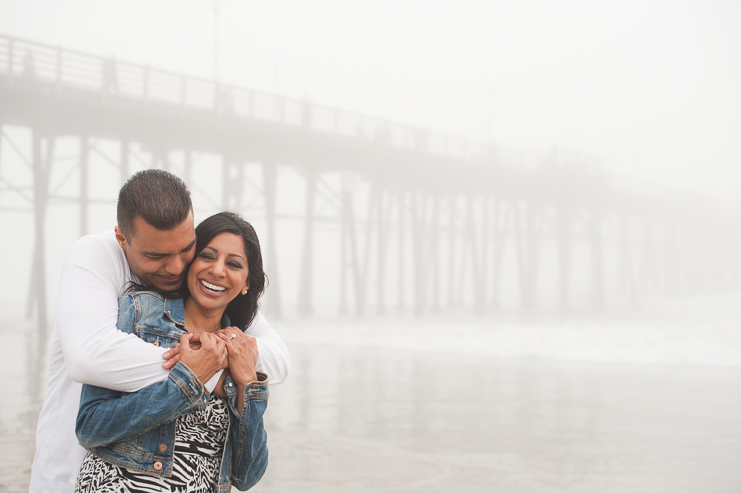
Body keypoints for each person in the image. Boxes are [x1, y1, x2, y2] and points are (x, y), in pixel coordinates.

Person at [30, 170, 290, 493]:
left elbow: (277, 358)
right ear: (122, 239)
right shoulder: (113, 277)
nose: (177, 267)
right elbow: (87, 358)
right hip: (66, 478)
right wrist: (196, 375)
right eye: (157, 255)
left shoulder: (226, 323)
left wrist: (243, 378)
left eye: (187, 249)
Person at [75, 212, 269, 492]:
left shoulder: (241, 351)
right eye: (207, 256)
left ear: (247, 283)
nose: (217, 270)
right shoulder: (139, 312)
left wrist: (248, 384)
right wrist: (187, 382)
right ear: (190, 262)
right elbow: (89, 428)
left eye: (234, 264)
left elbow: (247, 477)